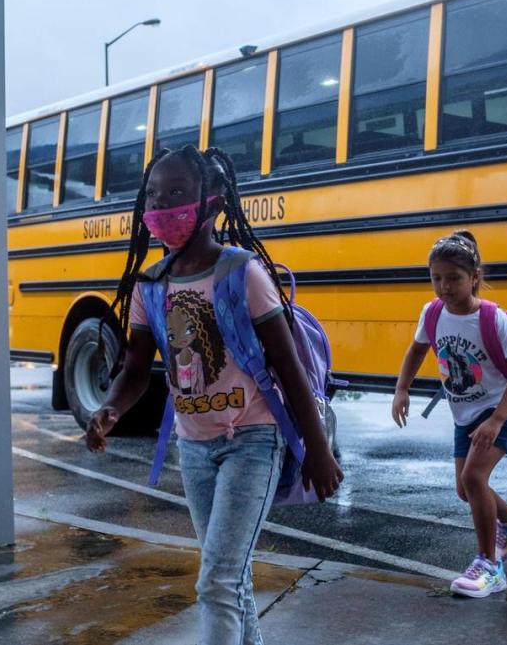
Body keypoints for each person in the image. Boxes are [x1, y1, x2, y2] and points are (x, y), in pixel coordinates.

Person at [85, 145, 343, 644]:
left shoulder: (242, 274)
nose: (163, 205)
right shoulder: (151, 285)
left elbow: (289, 369)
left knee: (217, 580)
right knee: (232, 576)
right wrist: (110, 407)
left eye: (178, 192)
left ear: (215, 203)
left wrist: (317, 448)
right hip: (194, 447)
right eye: (154, 195)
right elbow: (137, 369)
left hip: (253, 439)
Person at [391, 230, 507, 598]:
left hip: (500, 408)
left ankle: (489, 565)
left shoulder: (492, 318)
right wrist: (402, 389)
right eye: (436, 278)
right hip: (465, 413)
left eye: (453, 278)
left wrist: (498, 419)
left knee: (473, 478)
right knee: (465, 489)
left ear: (475, 277)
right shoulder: (433, 312)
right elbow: (416, 350)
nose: (444, 287)